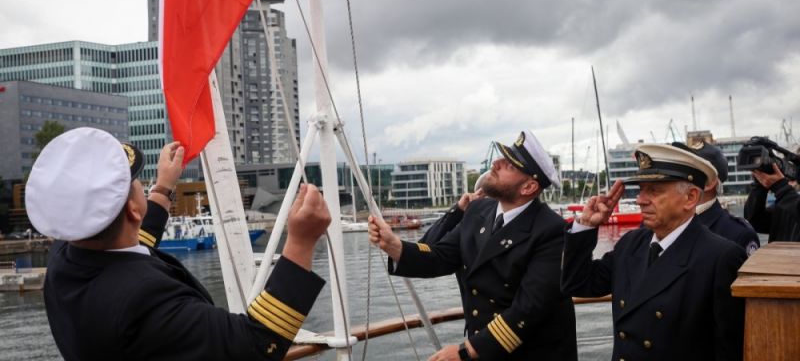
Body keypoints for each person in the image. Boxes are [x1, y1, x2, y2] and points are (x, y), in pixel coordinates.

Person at [26, 127, 331, 361]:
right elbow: (255, 344)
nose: (143, 188)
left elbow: (130, 245)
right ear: (133, 210)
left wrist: (163, 189)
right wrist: (301, 243)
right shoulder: (146, 301)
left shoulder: (64, 259)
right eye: (138, 186)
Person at [370, 130, 577, 361]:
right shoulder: (479, 210)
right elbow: (441, 255)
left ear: (528, 187)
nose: (496, 163)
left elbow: (528, 310)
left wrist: (466, 351)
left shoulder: (552, 231)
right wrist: (395, 246)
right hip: (484, 351)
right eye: (502, 158)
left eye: (509, 164)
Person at [561, 143, 747, 361]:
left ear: (690, 198)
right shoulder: (631, 244)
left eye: (654, 190)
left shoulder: (720, 257)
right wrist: (586, 225)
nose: (640, 199)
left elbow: (730, 349)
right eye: (641, 189)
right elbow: (577, 284)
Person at [674, 141, 760, 255]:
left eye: (687, 172)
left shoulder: (737, 234)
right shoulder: (662, 224)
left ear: (708, 184)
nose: (674, 177)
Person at [744, 154, 800, 242]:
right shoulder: (786, 205)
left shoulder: (788, 199)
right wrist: (759, 184)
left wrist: (781, 188)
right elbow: (755, 221)